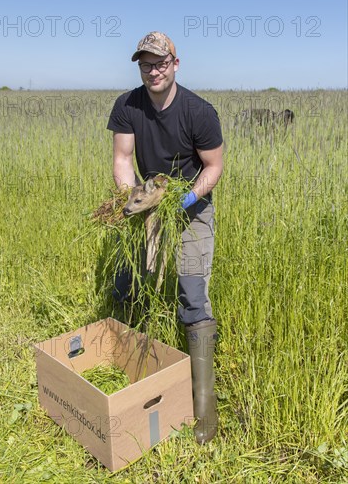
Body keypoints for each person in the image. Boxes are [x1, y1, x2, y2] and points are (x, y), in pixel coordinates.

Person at [107, 32, 224, 444]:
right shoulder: (127, 105)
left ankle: (204, 417)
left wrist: (186, 198)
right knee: (129, 281)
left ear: (176, 63)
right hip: (147, 198)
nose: (153, 70)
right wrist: (132, 199)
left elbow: (213, 167)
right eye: (145, 64)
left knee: (192, 292)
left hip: (190, 204)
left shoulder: (199, 111)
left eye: (160, 63)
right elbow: (123, 159)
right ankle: (124, 368)